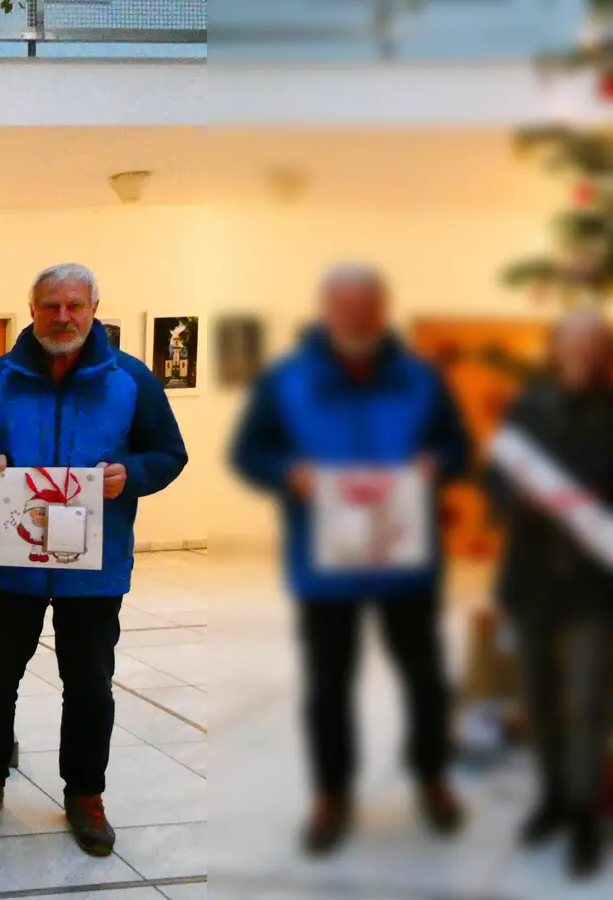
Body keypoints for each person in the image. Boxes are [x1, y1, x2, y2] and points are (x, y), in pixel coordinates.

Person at [0, 263, 188, 857]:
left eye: (74, 305)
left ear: (94, 307)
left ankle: (85, 793)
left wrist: (131, 474)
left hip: (95, 567)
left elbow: (169, 453)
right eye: (51, 306)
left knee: (88, 685)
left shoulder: (131, 379)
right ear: (32, 311)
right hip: (11, 562)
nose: (62, 317)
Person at [230, 264, 473, 856]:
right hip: (325, 561)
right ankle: (332, 795)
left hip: (404, 558)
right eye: (346, 306)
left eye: (368, 307)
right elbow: (249, 452)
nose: (357, 318)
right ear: (326, 310)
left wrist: (436, 464)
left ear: (383, 311)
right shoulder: (285, 381)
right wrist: (291, 474)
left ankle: (432, 778)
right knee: (329, 684)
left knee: (424, 677)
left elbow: (459, 447)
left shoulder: (421, 379)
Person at [484, 308, 613, 879]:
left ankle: (585, 813)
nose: (582, 356)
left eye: (594, 347)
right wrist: (518, 502)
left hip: (595, 584)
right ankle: (554, 798)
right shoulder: (527, 407)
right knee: (535, 698)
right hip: (532, 579)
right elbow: (494, 478)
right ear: (556, 350)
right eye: (574, 345)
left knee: (586, 703)